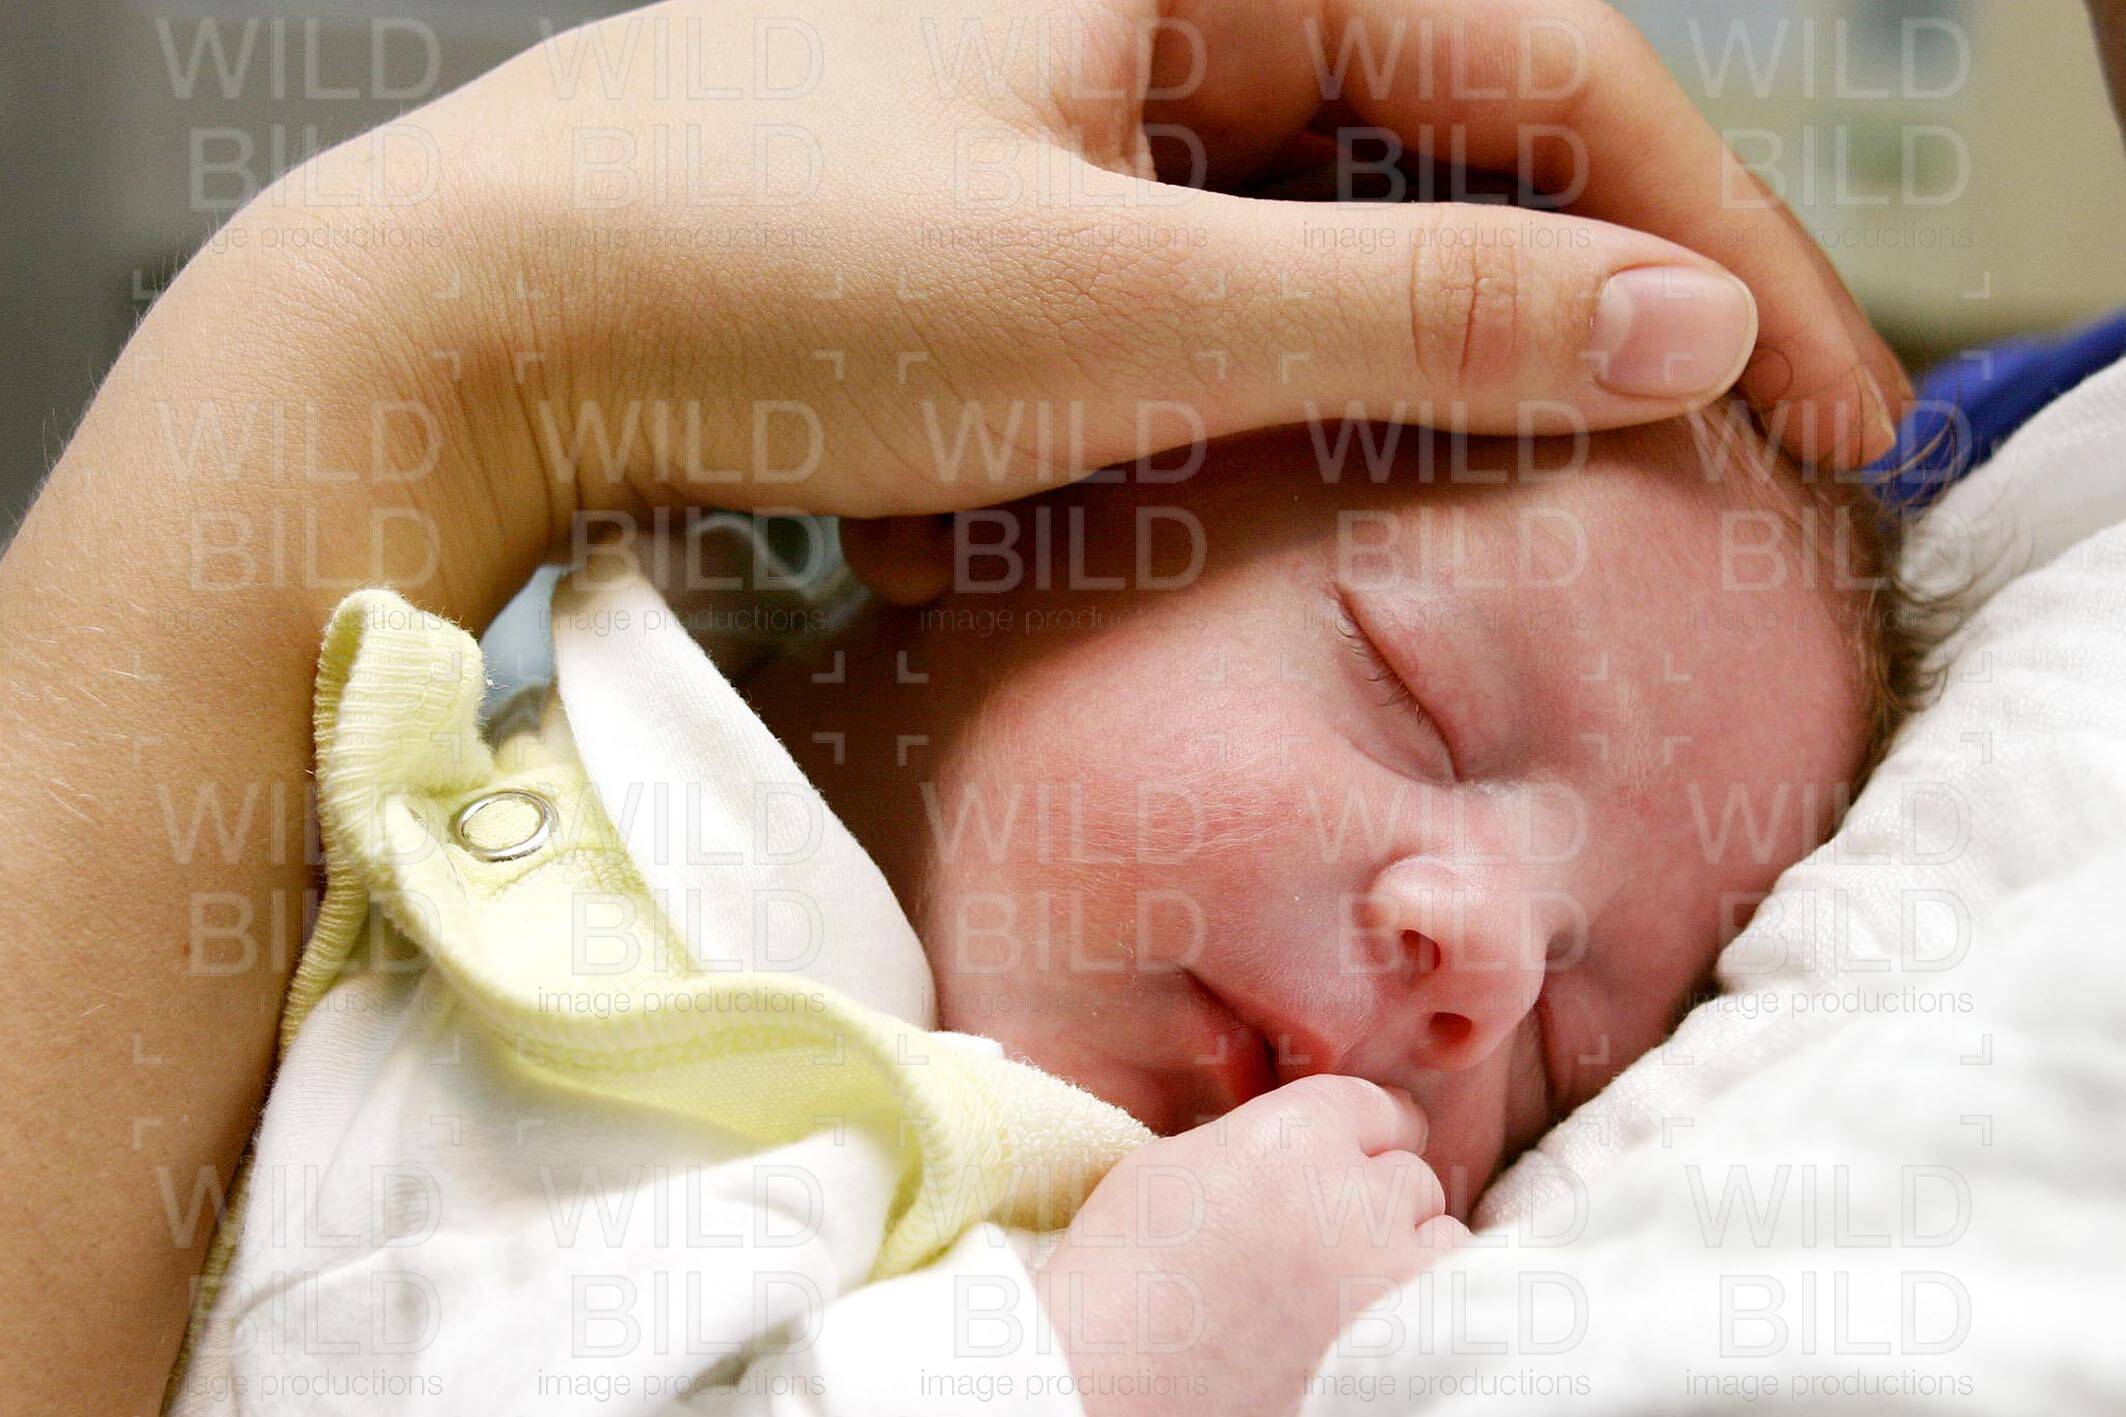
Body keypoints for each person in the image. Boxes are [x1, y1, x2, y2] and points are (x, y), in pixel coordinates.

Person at [0, 1, 1920, 1412]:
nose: (1479, 961)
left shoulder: (1148, 1224)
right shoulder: (583, 882)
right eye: (1412, 699)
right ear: (1019, 482)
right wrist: (1068, 1374)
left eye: (1571, 1045)